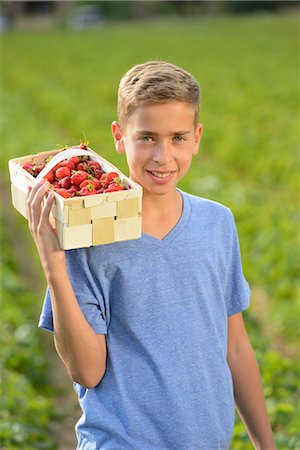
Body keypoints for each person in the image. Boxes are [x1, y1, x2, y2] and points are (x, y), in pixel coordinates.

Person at [27, 61, 276, 449]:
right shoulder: (89, 235)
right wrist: (54, 265)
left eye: (177, 137)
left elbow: (237, 347)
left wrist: (265, 443)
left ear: (196, 138)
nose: (162, 156)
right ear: (119, 136)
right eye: (146, 137)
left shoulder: (217, 223)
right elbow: (88, 372)